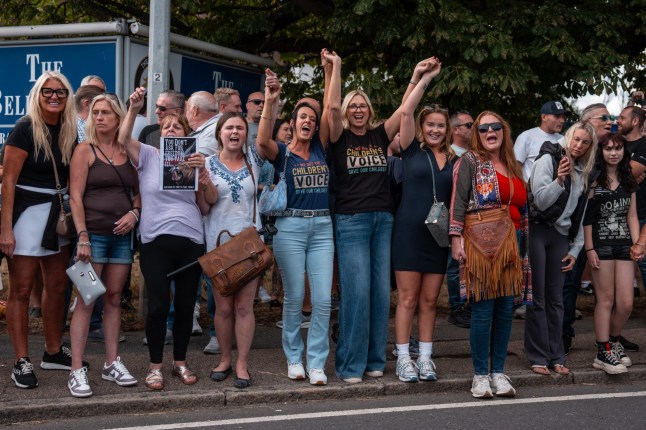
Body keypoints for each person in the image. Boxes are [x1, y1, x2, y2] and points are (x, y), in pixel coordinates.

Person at [327, 52, 435, 383]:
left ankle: (375, 360)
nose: (358, 110)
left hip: (383, 220)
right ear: (347, 112)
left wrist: (421, 77)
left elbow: (405, 110)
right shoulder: (338, 137)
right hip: (352, 221)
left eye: (363, 106)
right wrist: (337, 67)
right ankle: (350, 364)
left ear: (370, 110)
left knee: (379, 295)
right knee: (357, 294)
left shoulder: (379, 135)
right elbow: (330, 108)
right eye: (353, 106)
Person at [123, 87, 216, 390]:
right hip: (155, 240)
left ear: (187, 134)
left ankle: (180, 363)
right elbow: (123, 140)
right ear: (160, 135)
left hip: (190, 238)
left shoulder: (195, 160)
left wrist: (203, 179)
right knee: (158, 306)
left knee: (186, 307)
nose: (172, 129)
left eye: (178, 126)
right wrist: (133, 109)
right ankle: (155, 367)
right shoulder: (149, 155)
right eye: (166, 127)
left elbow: (205, 207)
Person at [256, 59, 334, 386]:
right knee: (294, 295)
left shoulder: (322, 149)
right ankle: (293, 358)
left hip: (323, 228)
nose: (309, 122)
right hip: (290, 228)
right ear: (293, 122)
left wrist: (330, 72)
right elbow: (261, 141)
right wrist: (271, 99)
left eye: (312, 120)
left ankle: (316, 362)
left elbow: (330, 110)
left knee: (323, 299)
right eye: (303, 117)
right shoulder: (283, 152)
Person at [0, 71, 79, 389]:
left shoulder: (70, 129)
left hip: (58, 217)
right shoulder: (25, 128)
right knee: (21, 290)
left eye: (60, 92)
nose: (54, 96)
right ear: (38, 94)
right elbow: (8, 181)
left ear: (67, 96)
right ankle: (21, 361)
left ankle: (53, 351)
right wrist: (5, 228)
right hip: (26, 216)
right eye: (48, 91)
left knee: (57, 286)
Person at [449, 111, 528, 398]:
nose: (490, 132)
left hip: (513, 241)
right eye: (483, 129)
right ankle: (480, 375)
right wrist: (456, 238)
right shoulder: (469, 161)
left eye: (495, 127)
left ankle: (499, 373)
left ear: (504, 131)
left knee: (505, 310)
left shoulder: (513, 164)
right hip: (482, 242)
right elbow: (457, 201)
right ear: (476, 134)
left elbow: (523, 205)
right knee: (483, 310)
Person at [67, 93, 140, 397]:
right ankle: (76, 369)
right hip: (93, 237)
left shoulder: (128, 151)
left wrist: (135, 213)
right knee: (87, 300)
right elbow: (75, 197)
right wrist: (82, 236)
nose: (98, 117)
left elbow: (138, 192)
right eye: (95, 112)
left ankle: (112, 363)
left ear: (118, 117)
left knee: (113, 298)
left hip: (121, 238)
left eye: (105, 112)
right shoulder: (85, 150)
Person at [524, 121, 596, 377]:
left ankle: (557, 355)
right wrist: (559, 179)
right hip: (538, 230)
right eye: (576, 139)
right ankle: (537, 356)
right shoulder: (548, 159)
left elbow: (581, 215)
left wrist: (576, 250)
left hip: (561, 236)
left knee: (557, 300)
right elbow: (541, 201)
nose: (579, 145)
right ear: (568, 137)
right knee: (538, 298)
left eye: (585, 142)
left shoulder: (584, 171)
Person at [392, 59, 448, 383]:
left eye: (441, 125)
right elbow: (405, 112)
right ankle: (403, 358)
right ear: (422, 127)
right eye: (431, 125)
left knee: (429, 301)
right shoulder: (411, 150)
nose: (436, 130)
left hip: (437, 237)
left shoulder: (454, 159)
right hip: (409, 235)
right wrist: (422, 77)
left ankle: (425, 357)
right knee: (408, 299)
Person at [204, 111, 263, 389]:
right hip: (219, 247)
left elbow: (268, 126)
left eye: (240, 127)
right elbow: (204, 206)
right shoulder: (206, 164)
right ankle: (225, 359)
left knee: (244, 307)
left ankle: (242, 364)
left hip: (249, 245)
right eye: (229, 127)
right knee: (224, 308)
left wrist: (271, 98)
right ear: (219, 133)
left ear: (246, 134)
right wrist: (202, 183)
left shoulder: (254, 160)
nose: (235, 132)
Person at [584, 133, 638, 374]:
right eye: (608, 149)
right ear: (601, 152)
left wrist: (637, 245)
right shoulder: (594, 179)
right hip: (601, 246)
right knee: (605, 300)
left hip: (624, 245)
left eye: (618, 148)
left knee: (626, 303)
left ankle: (614, 342)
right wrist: (589, 248)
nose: (613, 153)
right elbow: (587, 218)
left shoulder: (628, 179)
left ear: (624, 151)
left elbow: (632, 216)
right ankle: (602, 351)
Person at [447, 111, 475, 327]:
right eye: (469, 125)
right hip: (453, 215)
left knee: (471, 262)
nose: (473, 128)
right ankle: (457, 307)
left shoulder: (476, 155)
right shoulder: (446, 155)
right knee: (455, 264)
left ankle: (470, 305)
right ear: (456, 129)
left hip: (474, 217)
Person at [621, 106, 646, 300]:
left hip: (642, 215)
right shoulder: (616, 143)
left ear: (635, 121)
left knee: (644, 265)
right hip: (617, 217)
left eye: (622, 118)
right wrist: (630, 178)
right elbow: (603, 176)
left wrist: (627, 177)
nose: (617, 121)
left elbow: (627, 175)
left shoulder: (644, 145)